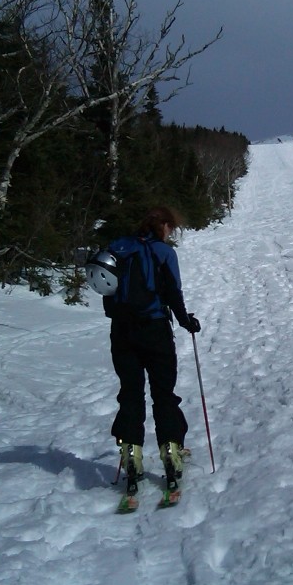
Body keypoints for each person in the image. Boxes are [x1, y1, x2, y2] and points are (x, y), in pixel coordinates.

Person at [100, 207, 201, 494]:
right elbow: (173, 292)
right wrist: (186, 321)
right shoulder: (163, 253)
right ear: (165, 226)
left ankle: (131, 456)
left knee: (130, 394)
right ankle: (171, 452)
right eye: (172, 228)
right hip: (155, 329)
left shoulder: (119, 248)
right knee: (163, 393)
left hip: (121, 332)